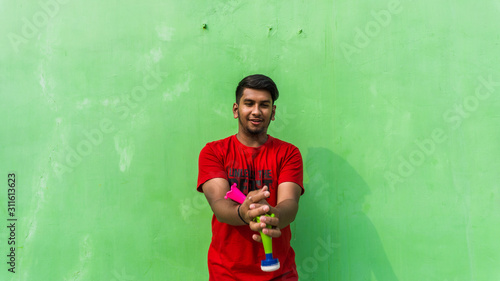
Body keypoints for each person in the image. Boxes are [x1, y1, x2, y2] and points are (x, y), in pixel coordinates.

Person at [197, 74, 304, 280]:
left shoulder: (289, 153)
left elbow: (290, 203)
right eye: (249, 103)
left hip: (280, 273)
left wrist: (272, 214)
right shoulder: (213, 152)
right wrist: (243, 213)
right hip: (226, 273)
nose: (256, 111)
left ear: (273, 112)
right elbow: (219, 204)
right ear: (236, 110)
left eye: (264, 105)